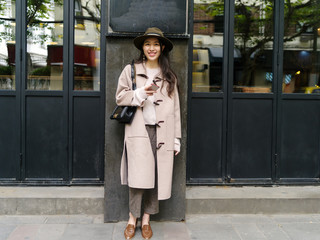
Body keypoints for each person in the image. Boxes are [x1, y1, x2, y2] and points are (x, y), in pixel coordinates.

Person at [115, 27, 181, 239]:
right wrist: (142, 92)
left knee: (156, 176)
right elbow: (120, 98)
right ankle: (131, 219)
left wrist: (176, 139)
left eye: (155, 44)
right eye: (147, 44)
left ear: (162, 48)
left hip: (162, 133)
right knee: (138, 178)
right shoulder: (131, 70)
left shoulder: (169, 76)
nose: (151, 48)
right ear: (142, 48)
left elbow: (176, 109)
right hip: (138, 131)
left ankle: (146, 220)